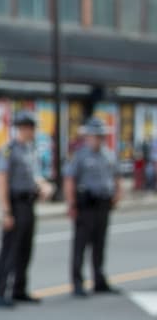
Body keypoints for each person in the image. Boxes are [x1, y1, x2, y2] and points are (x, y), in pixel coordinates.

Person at [0, 110, 52, 308]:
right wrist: (6, 211)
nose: (32, 131)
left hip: (29, 203)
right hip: (15, 204)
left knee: (25, 249)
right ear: (23, 128)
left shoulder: (30, 150)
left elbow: (35, 175)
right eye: (30, 128)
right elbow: (1, 180)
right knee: (9, 250)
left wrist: (43, 186)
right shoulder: (8, 150)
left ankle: (19, 289)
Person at [64, 117, 122, 297]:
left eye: (100, 136)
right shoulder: (80, 155)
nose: (97, 139)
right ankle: (78, 282)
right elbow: (70, 180)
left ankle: (99, 280)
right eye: (94, 135)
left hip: (103, 204)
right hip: (86, 205)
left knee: (100, 243)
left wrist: (117, 194)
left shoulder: (109, 154)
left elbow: (116, 176)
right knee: (81, 245)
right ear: (88, 136)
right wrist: (71, 203)